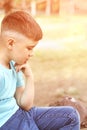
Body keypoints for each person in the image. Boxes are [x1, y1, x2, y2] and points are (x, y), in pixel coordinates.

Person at [0, 11, 80, 130]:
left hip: (21, 114)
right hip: (7, 122)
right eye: (29, 48)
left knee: (71, 116)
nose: (32, 54)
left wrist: (29, 77)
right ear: (11, 43)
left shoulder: (13, 64)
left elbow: (25, 105)